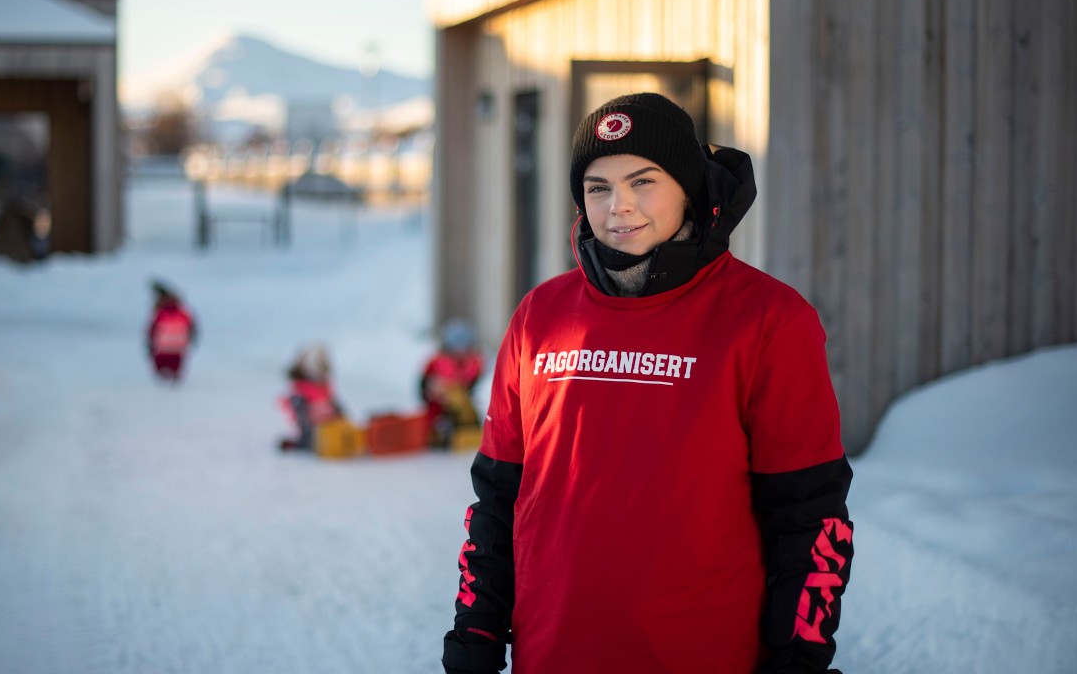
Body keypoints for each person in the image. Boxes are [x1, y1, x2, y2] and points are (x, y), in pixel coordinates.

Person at [441, 93, 853, 674]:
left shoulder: (769, 321)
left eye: (643, 181)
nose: (619, 208)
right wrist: (474, 641)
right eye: (598, 187)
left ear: (688, 186)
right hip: (553, 654)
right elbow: (497, 503)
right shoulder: (541, 315)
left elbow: (810, 520)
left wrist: (798, 662)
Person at [420, 319, 485, 448]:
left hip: (462, 404)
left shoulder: (474, 363)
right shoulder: (437, 363)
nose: (460, 352)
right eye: (456, 348)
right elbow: (425, 387)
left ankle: (468, 429)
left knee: (466, 410)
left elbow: (471, 385)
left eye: (464, 348)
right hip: (439, 407)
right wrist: (434, 389)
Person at [278, 345, 344, 451]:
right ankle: (295, 445)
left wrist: (343, 418)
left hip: (331, 424)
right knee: (311, 440)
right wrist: (306, 427)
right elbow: (301, 415)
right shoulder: (300, 390)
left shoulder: (325, 388)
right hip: (313, 429)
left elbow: (335, 404)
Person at [146, 280, 197, 382]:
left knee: (162, 363)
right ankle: (174, 375)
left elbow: (152, 328)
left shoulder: (160, 313)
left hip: (162, 345)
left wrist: (150, 341)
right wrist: (192, 337)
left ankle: (164, 377)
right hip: (179, 345)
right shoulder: (182, 312)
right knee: (175, 363)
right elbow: (191, 325)